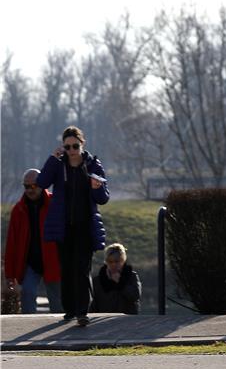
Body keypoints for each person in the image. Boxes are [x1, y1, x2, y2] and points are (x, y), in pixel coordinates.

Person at [37, 126, 109, 327]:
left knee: (82, 268)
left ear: (82, 144)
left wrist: (98, 188)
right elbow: (42, 182)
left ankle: (82, 312)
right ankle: (69, 310)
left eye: (75, 146)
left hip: (85, 225)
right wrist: (52, 158)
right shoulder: (59, 166)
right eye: (67, 147)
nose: (71, 150)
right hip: (63, 226)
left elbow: (103, 198)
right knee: (66, 268)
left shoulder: (93, 165)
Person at [4, 169, 62, 313]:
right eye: (26, 186)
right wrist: (9, 275)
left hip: (53, 261)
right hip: (30, 262)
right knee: (27, 293)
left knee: (57, 302)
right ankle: (26, 331)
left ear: (42, 184)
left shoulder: (56, 204)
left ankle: (59, 332)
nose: (30, 190)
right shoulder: (18, 210)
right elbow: (12, 243)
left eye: (34, 186)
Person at [90, 243, 141, 315]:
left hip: (128, 320)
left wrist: (120, 283)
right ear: (106, 262)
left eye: (117, 261)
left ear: (123, 261)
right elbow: (93, 306)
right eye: (110, 262)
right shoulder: (98, 281)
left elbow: (135, 297)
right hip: (104, 321)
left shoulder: (131, 276)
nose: (113, 265)